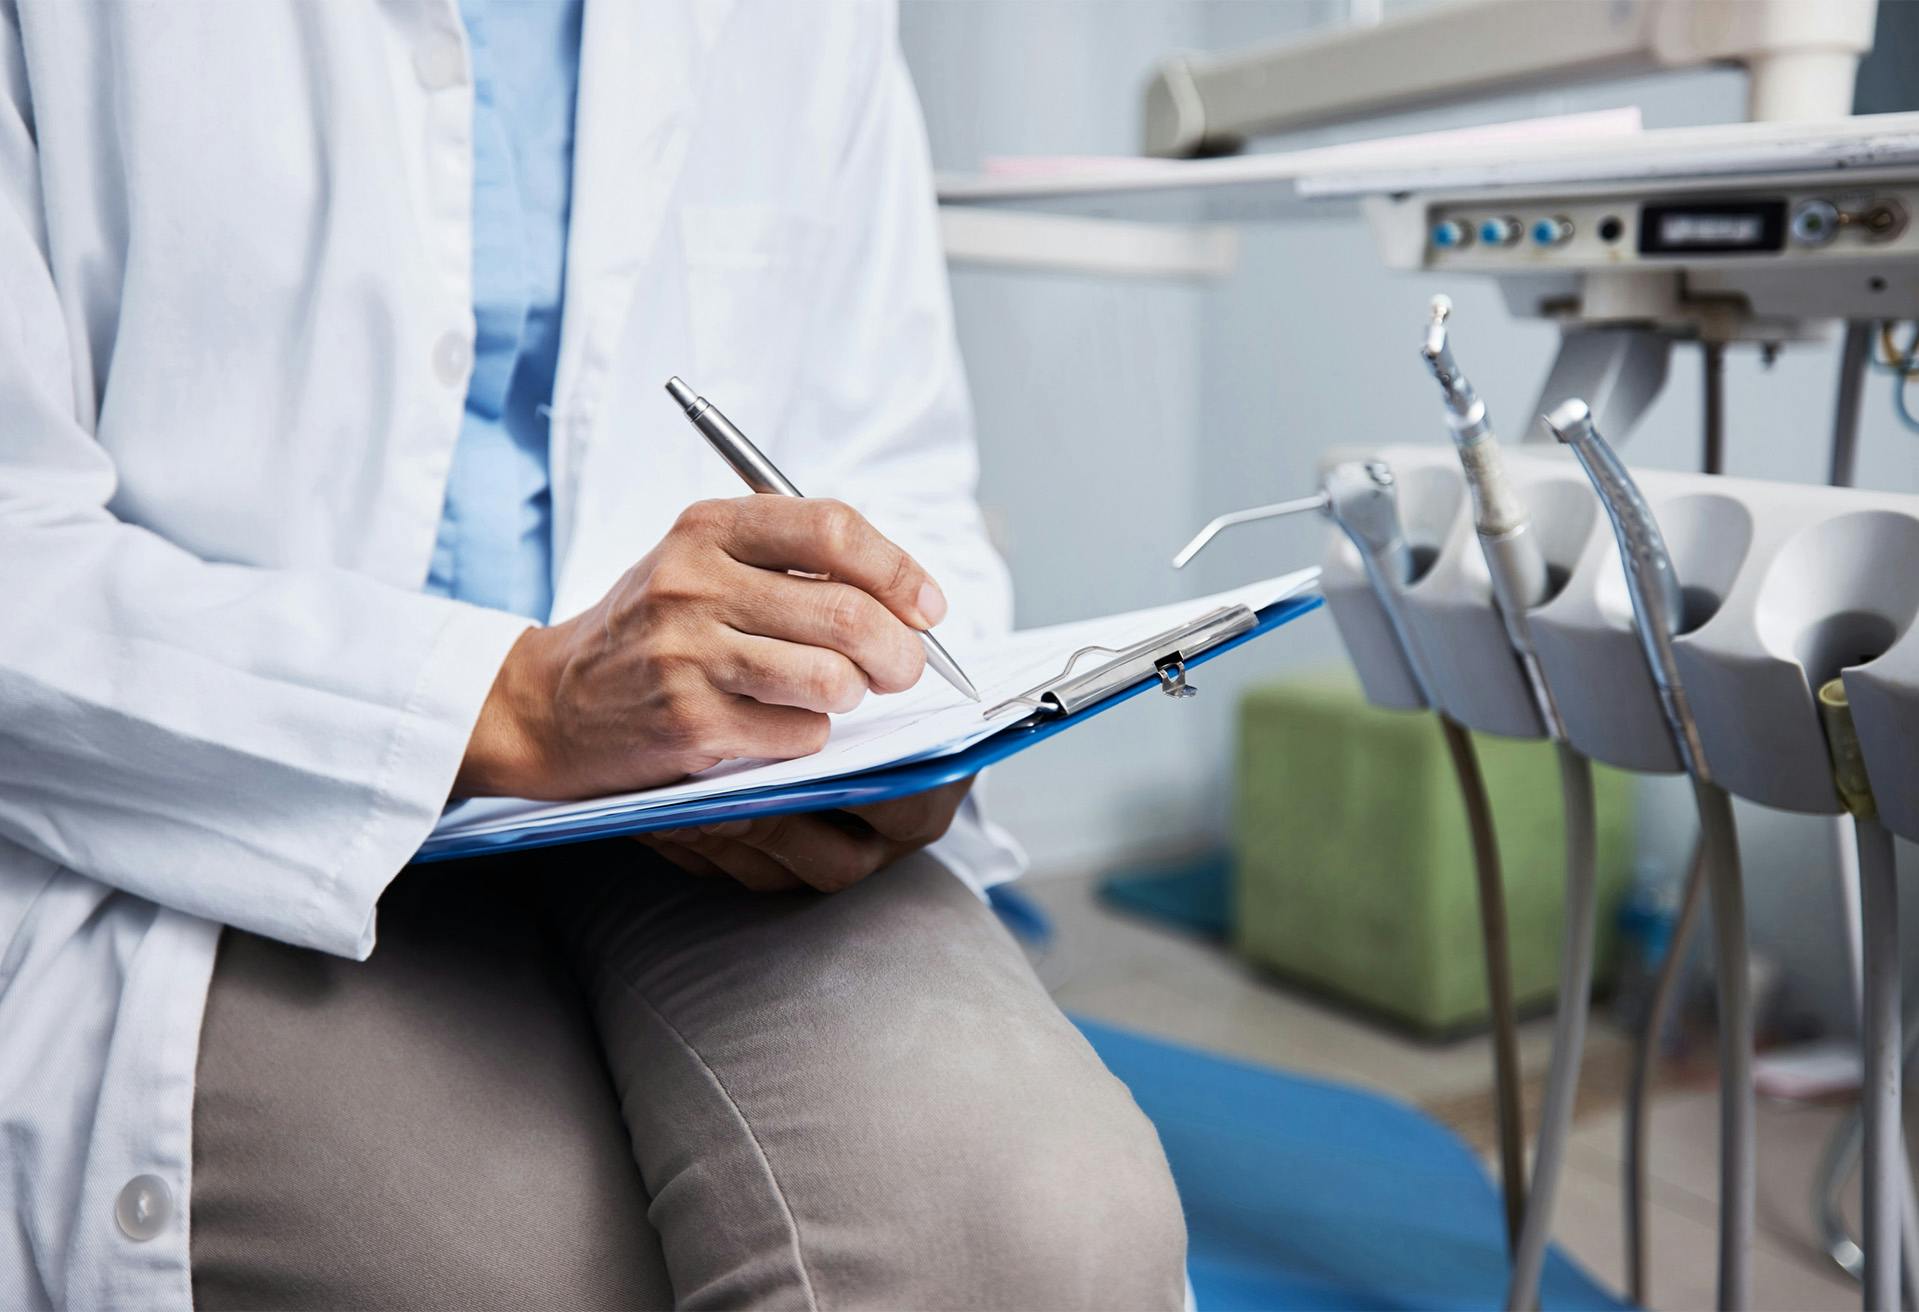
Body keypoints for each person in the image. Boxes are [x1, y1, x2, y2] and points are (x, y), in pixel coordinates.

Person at [0, 1, 1187, 1308]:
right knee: (528, 1272)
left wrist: (891, 713)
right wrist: (510, 708)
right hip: (234, 800)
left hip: (708, 803)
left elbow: (890, 458)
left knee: (1043, 1229)